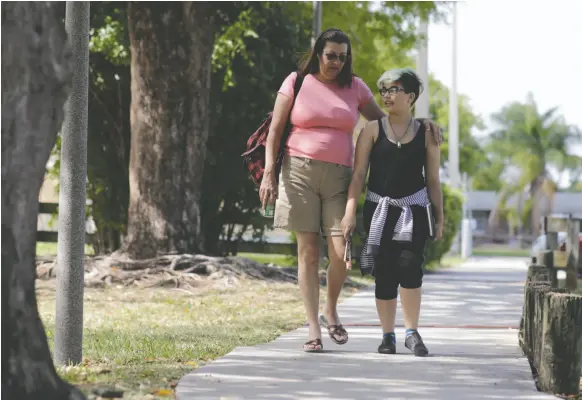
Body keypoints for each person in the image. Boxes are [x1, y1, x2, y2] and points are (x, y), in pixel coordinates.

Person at [259, 29, 441, 353]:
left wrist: (423, 122)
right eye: (331, 55)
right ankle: (314, 327)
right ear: (318, 54)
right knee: (308, 252)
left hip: (340, 176)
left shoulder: (355, 86)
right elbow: (274, 131)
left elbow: (390, 122)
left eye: (342, 57)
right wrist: (269, 173)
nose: (336, 62)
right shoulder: (296, 82)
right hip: (298, 171)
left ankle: (331, 307)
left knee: (341, 251)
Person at [340, 68, 444, 357]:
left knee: (411, 267)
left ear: (410, 96)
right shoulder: (371, 130)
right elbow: (359, 174)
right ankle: (388, 336)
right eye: (383, 90)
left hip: (415, 209)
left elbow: (433, 180)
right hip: (379, 209)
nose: (386, 95)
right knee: (384, 273)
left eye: (394, 89)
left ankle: (412, 332)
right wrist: (350, 212)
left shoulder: (427, 133)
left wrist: (440, 217)